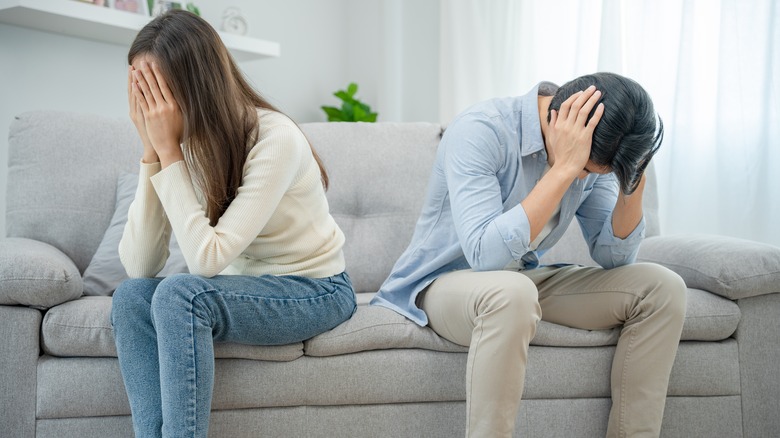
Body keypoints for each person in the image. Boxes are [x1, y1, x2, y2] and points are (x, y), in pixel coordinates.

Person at [372, 72, 687, 437]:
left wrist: (632, 182)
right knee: (512, 292)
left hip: (520, 280)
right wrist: (567, 168)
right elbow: (484, 256)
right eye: (585, 170)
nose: (585, 178)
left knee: (663, 287)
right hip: (440, 282)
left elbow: (614, 257)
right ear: (560, 122)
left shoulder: (597, 154)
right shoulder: (481, 130)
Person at [110, 10, 356, 438]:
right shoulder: (186, 145)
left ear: (195, 86)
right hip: (246, 288)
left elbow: (207, 260)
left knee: (180, 294)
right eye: (141, 93)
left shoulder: (274, 138)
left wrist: (167, 150)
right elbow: (140, 265)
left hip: (315, 289)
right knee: (132, 297)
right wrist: (151, 151)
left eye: (157, 93)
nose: (151, 108)